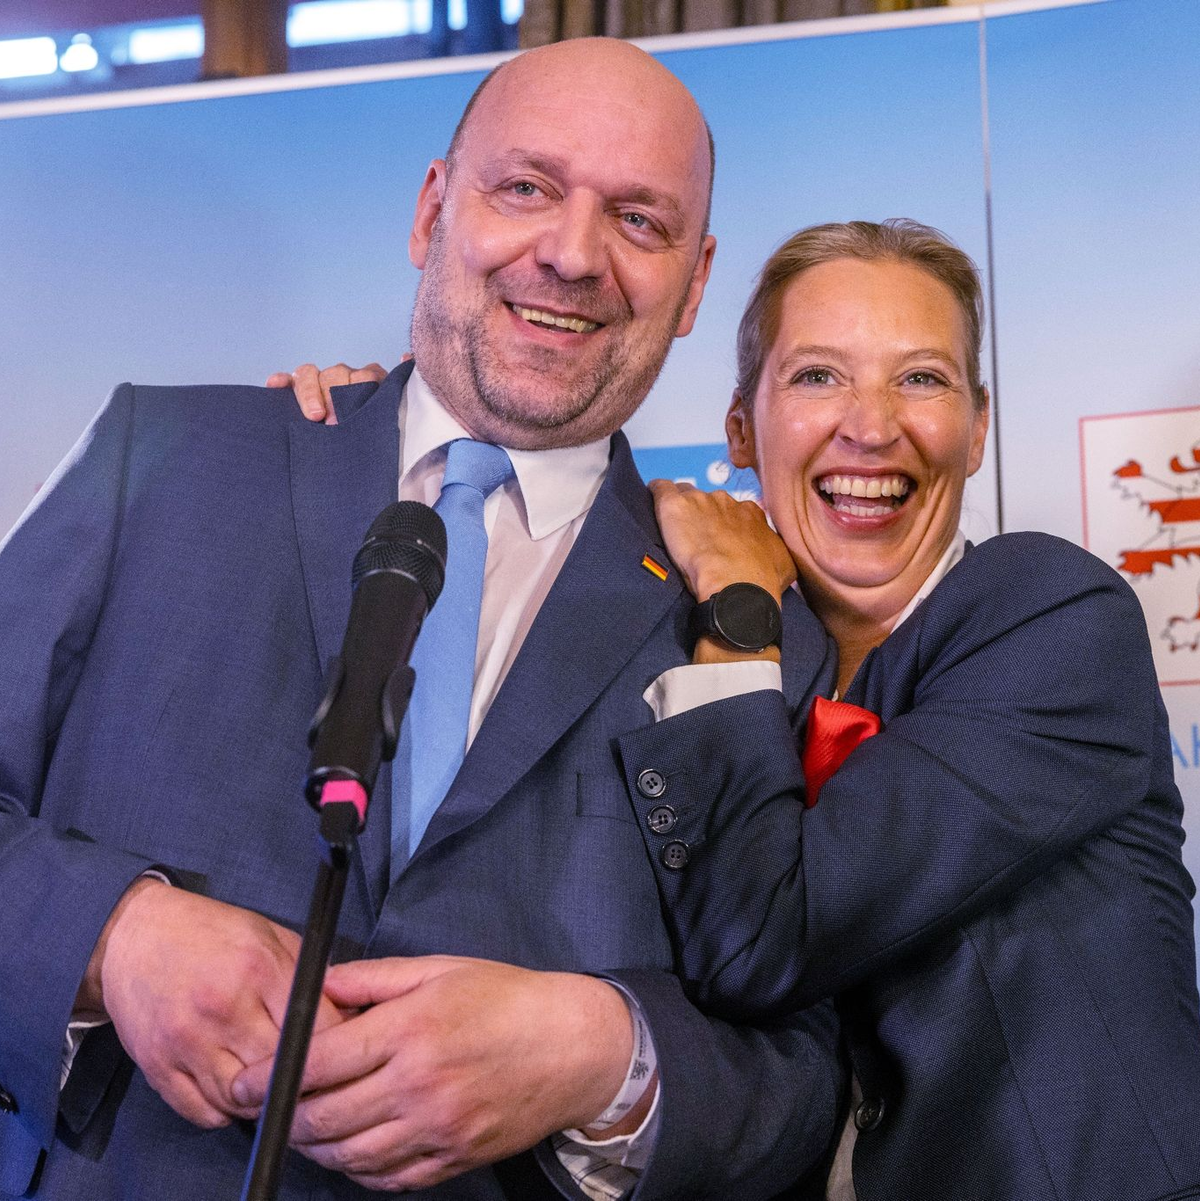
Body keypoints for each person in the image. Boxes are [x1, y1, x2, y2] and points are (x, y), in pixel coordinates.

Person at [0, 39, 845, 1201]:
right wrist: (114, 937)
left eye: (639, 221)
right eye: (527, 187)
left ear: (694, 284)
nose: (573, 254)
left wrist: (605, 1058)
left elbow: (803, 1067)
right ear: (432, 210)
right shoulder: (168, 457)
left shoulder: (748, 633)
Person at [636, 220, 1200, 1200]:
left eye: (922, 378)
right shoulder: (704, 662)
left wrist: (738, 597)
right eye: (818, 375)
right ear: (740, 430)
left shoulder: (1049, 611)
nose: (871, 426)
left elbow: (768, 935)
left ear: (977, 428)